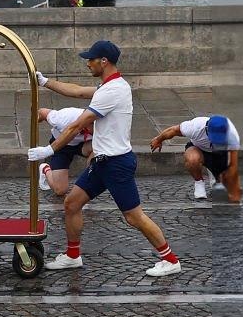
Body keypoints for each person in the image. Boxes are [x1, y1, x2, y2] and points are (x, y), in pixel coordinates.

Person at [27, 40, 182, 278]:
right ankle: (72, 256)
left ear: (104, 61)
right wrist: (45, 82)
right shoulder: (110, 86)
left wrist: (49, 150)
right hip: (101, 162)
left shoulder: (111, 92)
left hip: (116, 164)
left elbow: (77, 125)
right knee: (71, 204)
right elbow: (77, 90)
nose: (87, 63)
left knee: (133, 217)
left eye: (90, 59)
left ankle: (170, 259)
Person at [150, 113, 243, 202]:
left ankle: (215, 175)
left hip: (218, 154)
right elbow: (173, 130)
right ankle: (199, 182)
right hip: (197, 149)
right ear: (207, 129)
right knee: (192, 159)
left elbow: (233, 163)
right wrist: (158, 139)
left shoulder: (232, 135)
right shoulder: (196, 126)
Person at [34, 104, 90, 199]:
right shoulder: (63, 118)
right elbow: (42, 112)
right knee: (60, 190)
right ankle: (45, 169)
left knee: (98, 147)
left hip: (83, 145)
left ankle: (89, 181)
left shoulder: (101, 127)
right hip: (61, 146)